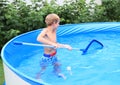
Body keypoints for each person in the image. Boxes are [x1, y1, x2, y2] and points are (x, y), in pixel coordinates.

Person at [36, 13, 72, 80]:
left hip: (54, 55)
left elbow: (56, 43)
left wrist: (66, 46)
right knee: (43, 69)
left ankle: (58, 73)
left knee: (58, 65)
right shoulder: (45, 31)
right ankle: (38, 78)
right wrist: (52, 44)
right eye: (58, 23)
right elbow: (39, 38)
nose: (59, 25)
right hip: (47, 57)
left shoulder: (54, 30)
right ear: (54, 23)